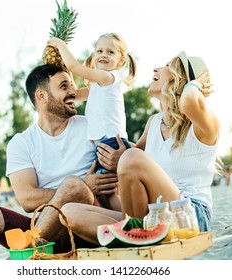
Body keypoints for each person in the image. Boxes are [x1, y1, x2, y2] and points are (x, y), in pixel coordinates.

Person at [0, 64, 123, 259]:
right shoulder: (21, 143)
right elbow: (26, 198)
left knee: (74, 186)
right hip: (45, 230)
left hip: (85, 225)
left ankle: (23, 258)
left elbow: (126, 148)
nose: (73, 91)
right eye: (64, 86)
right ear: (41, 96)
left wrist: (121, 156)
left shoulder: (91, 126)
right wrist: (85, 185)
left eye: (72, 85)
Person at [59, 51, 220, 245]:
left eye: (167, 65)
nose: (156, 69)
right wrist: (117, 156)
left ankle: (135, 235)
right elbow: (135, 162)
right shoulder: (154, 122)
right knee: (68, 212)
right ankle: (137, 234)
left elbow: (189, 102)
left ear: (181, 79)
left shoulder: (205, 125)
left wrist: (195, 85)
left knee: (131, 158)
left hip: (190, 214)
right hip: (152, 215)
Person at [47, 33, 137, 208]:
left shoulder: (109, 78)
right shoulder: (98, 85)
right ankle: (123, 223)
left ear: (121, 60)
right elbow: (75, 94)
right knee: (107, 193)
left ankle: (130, 223)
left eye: (110, 52)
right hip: (103, 142)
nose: (103, 55)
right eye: (99, 51)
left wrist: (59, 44)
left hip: (110, 142)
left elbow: (73, 65)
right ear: (94, 55)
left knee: (109, 192)